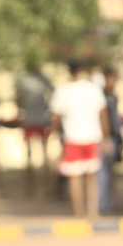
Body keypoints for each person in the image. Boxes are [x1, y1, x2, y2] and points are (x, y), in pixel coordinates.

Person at [49, 61, 109, 218]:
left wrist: (54, 133)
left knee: (74, 178)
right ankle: (93, 212)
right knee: (91, 177)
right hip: (92, 137)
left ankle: (79, 213)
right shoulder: (93, 89)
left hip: (72, 138)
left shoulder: (62, 91)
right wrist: (107, 138)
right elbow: (103, 114)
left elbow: (56, 118)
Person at [16, 62, 54, 173]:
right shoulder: (41, 79)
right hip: (39, 117)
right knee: (43, 146)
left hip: (31, 117)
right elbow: (53, 91)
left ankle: (32, 172)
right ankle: (43, 171)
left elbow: (18, 99)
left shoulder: (24, 80)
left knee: (30, 147)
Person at [97, 67, 123, 213]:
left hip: (113, 137)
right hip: (105, 139)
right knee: (103, 174)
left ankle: (107, 202)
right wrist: (106, 139)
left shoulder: (112, 96)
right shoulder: (100, 96)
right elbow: (104, 119)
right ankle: (102, 204)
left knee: (110, 173)